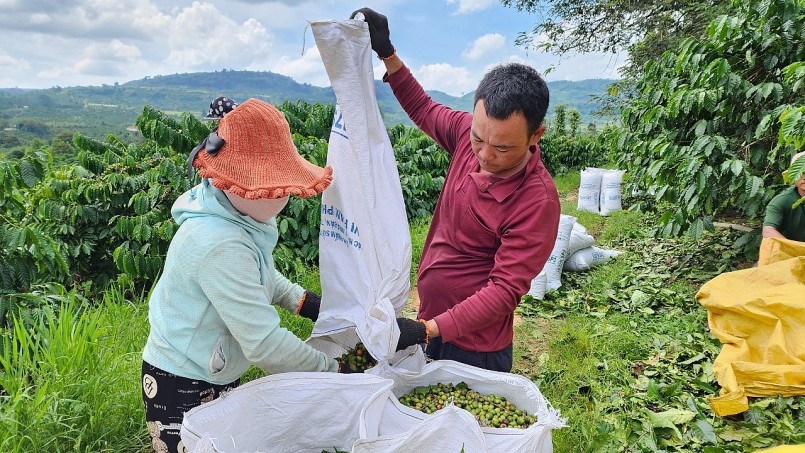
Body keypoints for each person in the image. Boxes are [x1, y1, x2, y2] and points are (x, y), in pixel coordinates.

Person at [352, 8, 561, 372]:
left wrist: (426, 330)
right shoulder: (467, 138)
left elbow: (502, 292)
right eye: (479, 139)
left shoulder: (536, 202)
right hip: (431, 325)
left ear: (535, 136)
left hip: (475, 348)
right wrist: (387, 53)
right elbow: (424, 108)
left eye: (503, 148)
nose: (485, 155)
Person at [141, 98, 350, 453]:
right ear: (236, 184)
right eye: (277, 188)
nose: (284, 196)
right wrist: (332, 371)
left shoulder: (236, 217)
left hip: (216, 365)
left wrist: (305, 303)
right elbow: (265, 344)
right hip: (182, 380)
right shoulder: (220, 243)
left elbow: (261, 276)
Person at [763, 151, 805, 243]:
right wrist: (795, 248)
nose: (804, 177)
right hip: (790, 252)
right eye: (801, 173)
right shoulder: (782, 201)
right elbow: (768, 231)